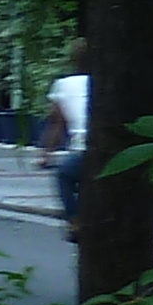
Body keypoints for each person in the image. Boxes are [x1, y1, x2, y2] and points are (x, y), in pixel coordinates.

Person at [43, 43, 93, 240]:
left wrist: (46, 154)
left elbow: (56, 124)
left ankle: (75, 220)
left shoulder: (63, 85)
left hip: (83, 149)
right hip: (115, 149)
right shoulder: (111, 84)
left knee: (64, 176)